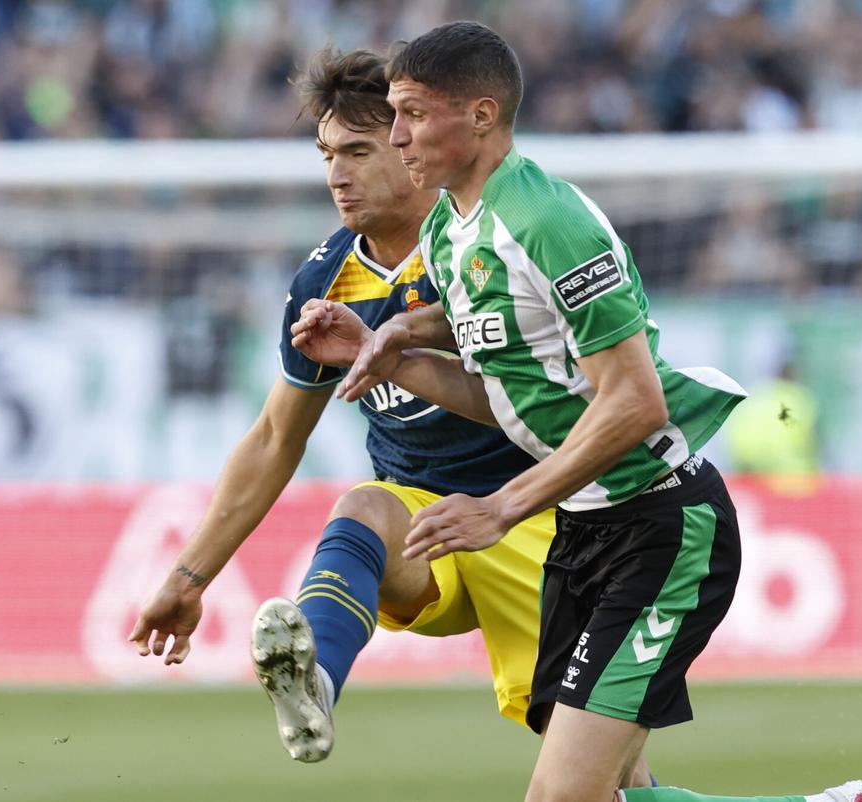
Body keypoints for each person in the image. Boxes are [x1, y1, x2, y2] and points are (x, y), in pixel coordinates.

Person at [289, 20, 862, 802]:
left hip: (660, 525)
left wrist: (501, 507)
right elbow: (504, 399)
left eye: (414, 114)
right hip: (581, 532)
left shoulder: (548, 219)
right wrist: (391, 353)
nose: (397, 134)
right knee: (612, 792)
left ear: (482, 116)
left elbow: (634, 401)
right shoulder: (456, 234)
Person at [128, 47, 577, 772]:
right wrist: (188, 581)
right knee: (363, 508)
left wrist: (396, 355)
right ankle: (318, 682)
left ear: (411, 144)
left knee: (600, 786)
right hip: (428, 531)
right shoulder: (325, 279)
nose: (338, 172)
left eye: (359, 150)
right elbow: (275, 436)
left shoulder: (488, 250)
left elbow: (546, 409)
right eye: (327, 153)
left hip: (547, 519)